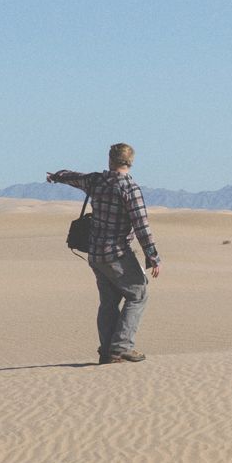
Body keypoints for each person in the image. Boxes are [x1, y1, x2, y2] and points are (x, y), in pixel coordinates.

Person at [47, 143, 161, 363]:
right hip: (116, 253)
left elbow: (74, 177)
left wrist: (57, 176)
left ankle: (108, 352)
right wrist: (153, 256)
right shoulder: (130, 189)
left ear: (110, 160)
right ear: (131, 162)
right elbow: (141, 226)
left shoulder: (96, 181)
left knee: (108, 301)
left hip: (95, 254)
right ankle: (121, 347)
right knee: (138, 295)